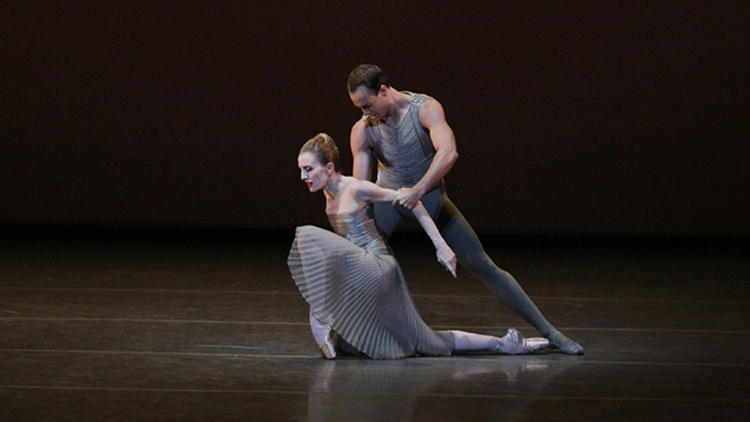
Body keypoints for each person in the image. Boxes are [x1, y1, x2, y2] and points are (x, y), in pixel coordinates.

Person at [347, 64, 584, 355]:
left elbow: (448, 152)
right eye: (359, 108)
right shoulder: (363, 130)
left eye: (368, 105)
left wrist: (418, 190)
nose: (364, 113)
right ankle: (347, 335)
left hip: (430, 198)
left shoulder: (425, 109)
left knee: (482, 264)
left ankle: (551, 333)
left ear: (383, 90)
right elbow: (360, 187)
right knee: (358, 261)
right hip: (391, 203)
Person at [287, 133, 549, 359]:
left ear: (329, 168)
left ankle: (318, 316)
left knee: (307, 237)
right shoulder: (327, 195)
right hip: (359, 271)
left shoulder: (355, 188)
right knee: (422, 340)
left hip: (378, 267)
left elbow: (414, 200)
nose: (302, 176)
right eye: (301, 170)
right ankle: (504, 344)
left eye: (308, 169)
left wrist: (441, 245)